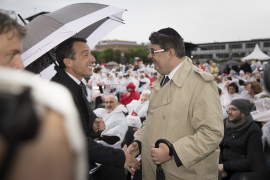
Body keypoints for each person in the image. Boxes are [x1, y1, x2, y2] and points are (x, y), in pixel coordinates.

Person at [0, 11, 88, 180]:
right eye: (12, 54)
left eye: (20, 54)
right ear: (68, 62)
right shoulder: (45, 109)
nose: (20, 65)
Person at [127, 27, 223, 179]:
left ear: (170, 53)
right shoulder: (160, 80)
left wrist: (173, 151)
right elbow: (152, 121)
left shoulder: (200, 83)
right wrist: (138, 143)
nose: (149, 55)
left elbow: (212, 133)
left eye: (153, 51)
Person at [50, 38, 140, 178]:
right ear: (68, 61)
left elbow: (78, 131)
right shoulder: (59, 91)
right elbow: (74, 141)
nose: (93, 59)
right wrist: (120, 157)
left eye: (91, 54)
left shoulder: (74, 86)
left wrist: (92, 128)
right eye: (85, 55)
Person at [219, 99, 265, 180]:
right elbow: (219, 147)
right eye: (229, 109)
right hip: (224, 167)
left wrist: (224, 166)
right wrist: (220, 165)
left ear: (243, 113)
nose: (229, 112)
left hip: (241, 170)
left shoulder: (253, 130)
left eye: (233, 109)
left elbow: (252, 162)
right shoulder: (226, 125)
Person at [93, 95, 128, 180]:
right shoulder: (100, 112)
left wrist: (98, 137)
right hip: (94, 147)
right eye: (106, 102)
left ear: (117, 103)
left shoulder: (120, 117)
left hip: (110, 150)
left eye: (111, 102)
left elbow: (115, 138)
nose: (108, 104)